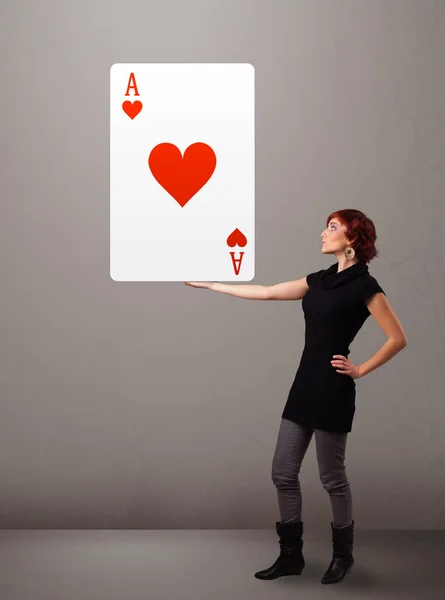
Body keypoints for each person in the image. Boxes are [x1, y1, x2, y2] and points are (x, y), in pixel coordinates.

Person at [183, 209, 407, 585]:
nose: (323, 232)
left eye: (332, 227)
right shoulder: (318, 281)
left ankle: (343, 556)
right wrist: (212, 285)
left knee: (332, 477)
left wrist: (360, 369)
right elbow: (267, 292)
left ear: (352, 240)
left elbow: (397, 338)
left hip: (334, 390)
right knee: (282, 472)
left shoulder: (366, 287)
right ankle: (291, 556)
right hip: (304, 385)